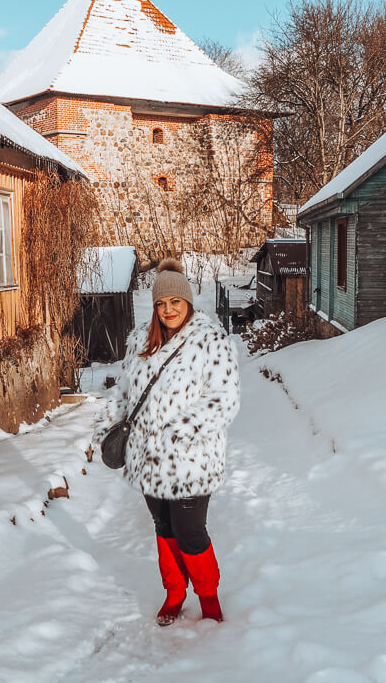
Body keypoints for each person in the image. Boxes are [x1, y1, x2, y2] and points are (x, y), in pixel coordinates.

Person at [97, 259, 241, 625]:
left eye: (175, 302)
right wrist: (109, 426)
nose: (168, 310)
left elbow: (225, 399)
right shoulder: (140, 343)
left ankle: (208, 598)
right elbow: (124, 394)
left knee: (191, 532)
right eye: (161, 303)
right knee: (164, 529)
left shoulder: (212, 343)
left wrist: (181, 432)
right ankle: (174, 592)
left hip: (191, 459)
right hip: (146, 458)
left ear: (188, 302)